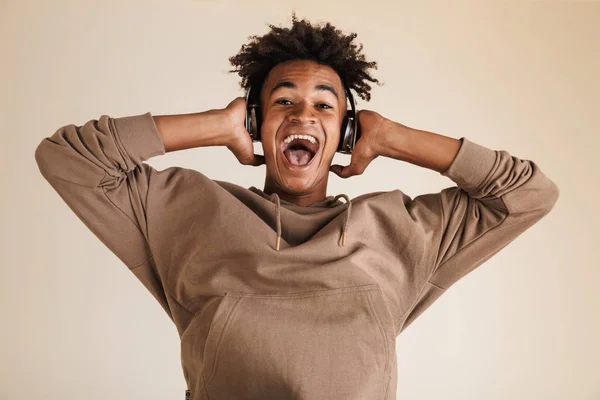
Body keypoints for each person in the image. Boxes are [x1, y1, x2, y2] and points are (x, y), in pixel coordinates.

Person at [35, 13, 559, 400]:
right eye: (283, 101)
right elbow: (67, 160)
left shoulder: (401, 229)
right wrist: (213, 124)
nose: (303, 113)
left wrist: (394, 137)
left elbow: (528, 195)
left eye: (325, 106)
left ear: (346, 132)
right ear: (256, 122)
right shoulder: (187, 208)